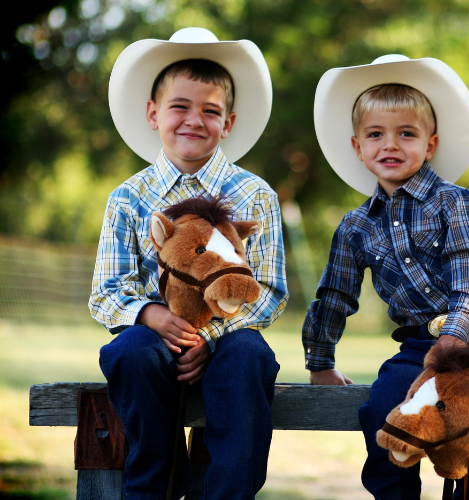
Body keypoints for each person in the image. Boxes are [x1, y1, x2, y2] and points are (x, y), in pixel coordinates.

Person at [304, 54, 469, 499]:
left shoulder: (453, 201)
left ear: (431, 144)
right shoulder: (355, 226)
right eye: (376, 135)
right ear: (357, 146)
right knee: (383, 409)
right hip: (419, 346)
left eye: (407, 133)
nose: (391, 144)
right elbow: (334, 296)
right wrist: (320, 361)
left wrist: (455, 336)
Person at [89, 27, 288, 499]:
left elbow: (271, 291)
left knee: (251, 357)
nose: (194, 120)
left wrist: (210, 335)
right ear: (154, 114)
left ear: (229, 122)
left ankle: (228, 492)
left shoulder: (255, 196)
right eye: (180, 107)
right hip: (152, 344)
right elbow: (107, 290)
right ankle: (153, 487)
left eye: (210, 111)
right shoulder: (128, 198)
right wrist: (152, 316)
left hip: (227, 340)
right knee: (128, 351)